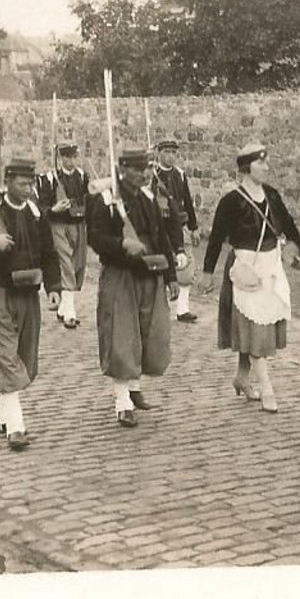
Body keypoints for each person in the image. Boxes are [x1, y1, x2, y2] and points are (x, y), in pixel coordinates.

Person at [0, 159, 62, 451]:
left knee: (25, 360)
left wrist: (53, 288)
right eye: (23, 183)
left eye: (32, 183)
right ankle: (16, 428)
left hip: (28, 295)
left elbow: (49, 254)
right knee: (5, 358)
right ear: (8, 182)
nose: (29, 188)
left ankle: (3, 414)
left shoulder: (36, 214)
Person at [200, 144, 300, 413]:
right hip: (245, 270)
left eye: (267, 163)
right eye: (261, 164)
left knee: (258, 329)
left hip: (270, 266)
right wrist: (207, 273)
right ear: (247, 167)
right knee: (253, 328)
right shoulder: (231, 201)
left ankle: (241, 376)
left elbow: (288, 223)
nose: (267, 168)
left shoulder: (271, 195)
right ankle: (267, 387)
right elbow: (215, 239)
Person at [87, 147, 186, 425]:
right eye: (138, 170)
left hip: (150, 272)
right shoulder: (106, 198)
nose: (145, 174)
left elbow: (161, 236)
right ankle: (122, 402)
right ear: (122, 170)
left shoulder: (148, 196)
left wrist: (170, 276)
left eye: (146, 169)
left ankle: (134, 389)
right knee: (122, 335)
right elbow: (95, 238)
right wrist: (121, 245)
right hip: (121, 274)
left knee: (147, 332)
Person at [36, 142, 90, 330]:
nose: (71, 161)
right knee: (65, 264)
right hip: (58, 225)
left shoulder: (83, 177)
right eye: (67, 157)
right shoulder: (49, 179)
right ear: (60, 159)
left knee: (77, 265)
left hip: (78, 225)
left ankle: (63, 307)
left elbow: (88, 200)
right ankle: (70, 312)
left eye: (74, 157)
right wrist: (53, 209)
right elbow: (41, 207)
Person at [152, 139, 201, 324]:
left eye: (173, 152)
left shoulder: (180, 175)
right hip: (159, 226)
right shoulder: (153, 175)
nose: (170, 156)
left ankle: (183, 309)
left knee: (186, 267)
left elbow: (187, 201)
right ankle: (159, 308)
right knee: (162, 265)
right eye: (166, 152)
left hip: (179, 226)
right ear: (158, 153)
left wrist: (194, 227)